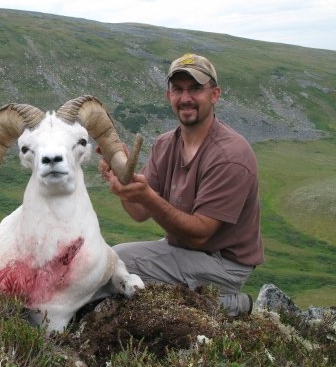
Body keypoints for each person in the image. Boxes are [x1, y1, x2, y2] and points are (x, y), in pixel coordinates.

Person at [99, 53, 264, 316]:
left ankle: (226, 303)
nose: (185, 98)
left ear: (215, 94)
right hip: (181, 248)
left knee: (117, 267)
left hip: (223, 264)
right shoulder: (166, 144)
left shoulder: (230, 155)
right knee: (110, 260)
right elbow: (139, 213)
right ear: (169, 96)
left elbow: (200, 233)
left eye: (196, 88)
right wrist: (124, 182)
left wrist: (147, 196)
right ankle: (196, 298)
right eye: (178, 89)